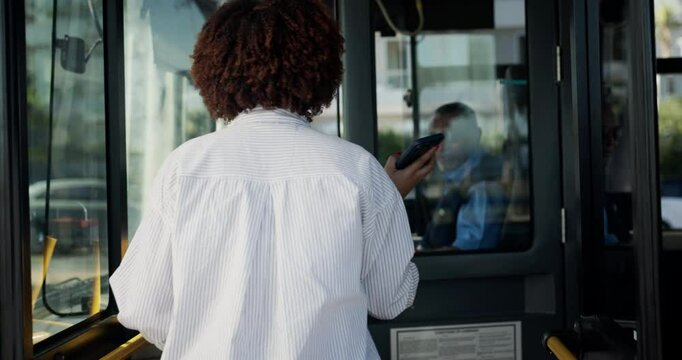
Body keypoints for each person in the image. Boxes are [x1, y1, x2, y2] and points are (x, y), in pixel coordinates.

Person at [109, 1, 436, 359]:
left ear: (214, 70)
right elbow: (390, 299)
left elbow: (141, 305)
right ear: (320, 69)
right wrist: (388, 200)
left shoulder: (184, 168)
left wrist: (206, 332)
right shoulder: (356, 169)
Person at [420, 103, 507, 251]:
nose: (439, 147)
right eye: (433, 138)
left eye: (451, 137)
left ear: (475, 136)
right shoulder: (454, 176)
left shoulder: (482, 183)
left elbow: (466, 252)